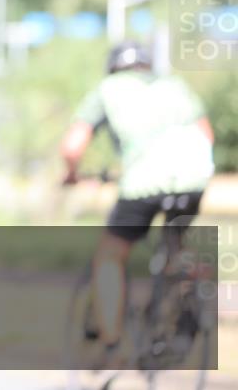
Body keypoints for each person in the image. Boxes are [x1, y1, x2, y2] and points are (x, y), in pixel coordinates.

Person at [60, 41, 214, 361]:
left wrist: (71, 174)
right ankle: (189, 290)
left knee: (110, 256)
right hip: (195, 176)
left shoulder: (108, 89)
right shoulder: (174, 86)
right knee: (174, 248)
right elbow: (206, 135)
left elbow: (73, 146)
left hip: (145, 181)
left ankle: (113, 342)